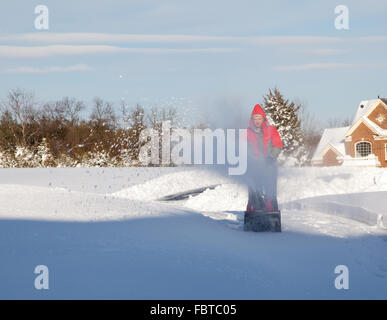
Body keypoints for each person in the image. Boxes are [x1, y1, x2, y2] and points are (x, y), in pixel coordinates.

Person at [246, 104, 283, 212]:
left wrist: (271, 157)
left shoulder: (271, 130)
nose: (257, 121)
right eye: (255, 118)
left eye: (259, 118)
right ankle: (253, 205)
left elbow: (278, 145)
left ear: (263, 119)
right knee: (252, 185)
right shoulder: (247, 133)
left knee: (270, 185)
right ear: (252, 120)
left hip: (268, 163)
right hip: (254, 164)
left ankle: (270, 205)